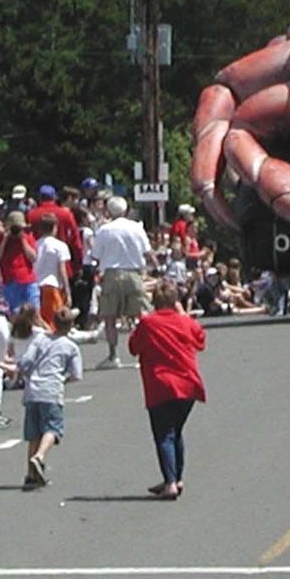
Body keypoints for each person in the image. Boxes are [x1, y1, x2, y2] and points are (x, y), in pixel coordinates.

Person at [131, 280, 205, 501]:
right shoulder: (184, 322)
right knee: (175, 432)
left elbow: (134, 348)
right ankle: (175, 477)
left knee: (164, 434)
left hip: (160, 385)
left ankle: (171, 482)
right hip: (187, 384)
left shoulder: (148, 323)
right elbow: (200, 340)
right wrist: (184, 315)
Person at [11, 300, 82, 491]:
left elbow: (25, 362)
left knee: (33, 433)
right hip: (51, 390)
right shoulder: (71, 347)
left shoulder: (40, 339)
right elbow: (76, 375)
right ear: (71, 326)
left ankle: (30, 474)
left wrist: (25, 375)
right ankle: (40, 457)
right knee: (52, 428)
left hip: (33, 390)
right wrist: (62, 378)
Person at [89, 196, 154, 363]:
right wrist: (156, 268)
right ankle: (145, 352)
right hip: (134, 273)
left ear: (109, 211)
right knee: (141, 314)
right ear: (126, 210)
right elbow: (147, 251)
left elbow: (95, 256)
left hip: (111, 274)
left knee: (110, 316)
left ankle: (113, 355)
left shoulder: (104, 230)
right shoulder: (136, 228)